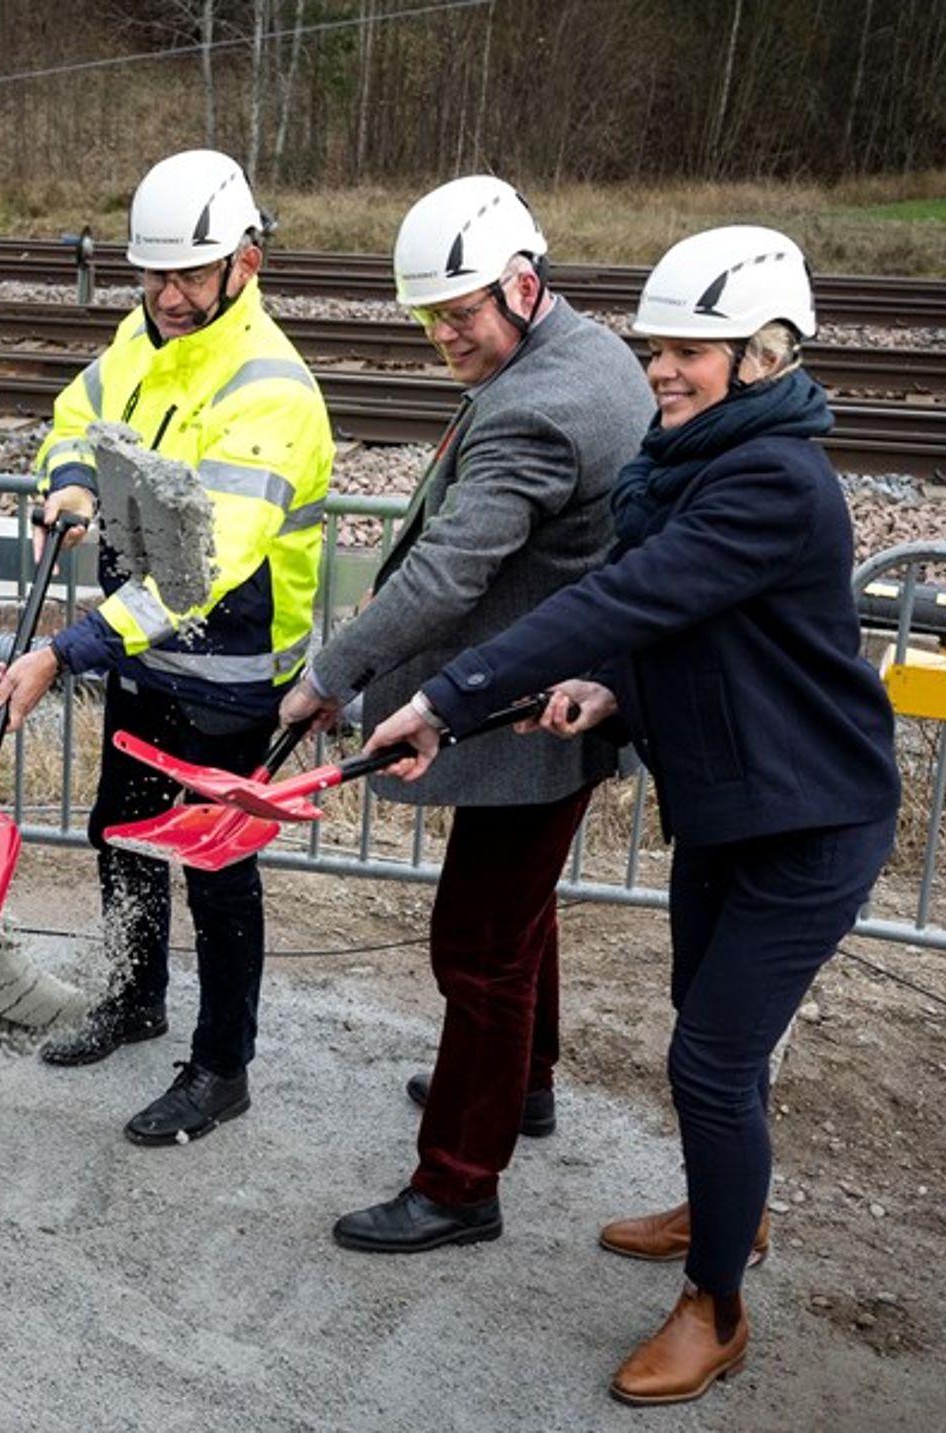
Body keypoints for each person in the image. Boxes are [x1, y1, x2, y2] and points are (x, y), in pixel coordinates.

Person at [359, 226, 899, 1405]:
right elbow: (675, 629)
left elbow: (636, 590)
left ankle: (716, 1303)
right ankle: (725, 1209)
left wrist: (445, 699)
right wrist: (608, 686)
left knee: (708, 1058)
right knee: (705, 1029)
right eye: (656, 348)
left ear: (763, 353)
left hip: (809, 819)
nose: (660, 370)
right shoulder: (694, 457)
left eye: (690, 353)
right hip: (728, 802)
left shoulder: (770, 479)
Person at [280, 175, 651, 1248]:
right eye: (428, 318)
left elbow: (447, 571)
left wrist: (329, 675)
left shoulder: (541, 404)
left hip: (525, 718)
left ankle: (456, 1181)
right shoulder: (582, 351)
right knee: (515, 917)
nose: (443, 336)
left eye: (459, 315)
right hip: (552, 700)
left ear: (523, 285)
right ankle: (523, 1082)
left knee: (476, 945)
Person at [0, 150, 332, 1146]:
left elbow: (197, 566)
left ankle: (222, 1066)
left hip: (228, 675)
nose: (167, 295)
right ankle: (134, 996)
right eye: (152, 274)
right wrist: (67, 479)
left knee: (217, 873)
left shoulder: (271, 388)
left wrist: (65, 649)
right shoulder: (141, 339)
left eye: (187, 274)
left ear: (245, 264)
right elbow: (71, 415)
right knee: (122, 834)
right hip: (143, 660)